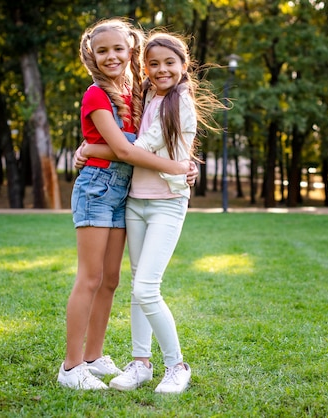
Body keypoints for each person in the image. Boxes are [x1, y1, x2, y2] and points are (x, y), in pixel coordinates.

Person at [75, 31, 225, 394]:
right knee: (137, 286)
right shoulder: (144, 95)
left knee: (146, 287)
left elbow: (135, 148)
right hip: (135, 201)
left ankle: (177, 365)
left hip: (166, 204)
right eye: (154, 64)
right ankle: (141, 363)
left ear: (183, 65)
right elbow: (126, 139)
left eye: (170, 63)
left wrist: (91, 148)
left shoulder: (180, 102)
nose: (161, 70)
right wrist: (94, 147)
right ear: (144, 66)